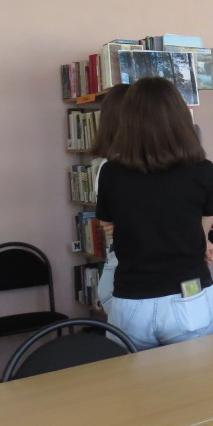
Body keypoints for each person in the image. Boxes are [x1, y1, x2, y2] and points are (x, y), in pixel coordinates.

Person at [96, 77, 213, 350]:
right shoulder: (203, 170)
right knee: (201, 377)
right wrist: (198, 240)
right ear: (181, 118)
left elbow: (108, 224)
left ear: (128, 121)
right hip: (189, 294)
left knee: (133, 378)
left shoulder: (110, 172)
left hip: (131, 301)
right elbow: (205, 219)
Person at [88, 83, 130, 315]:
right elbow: (113, 224)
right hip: (124, 272)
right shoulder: (112, 169)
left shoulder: (109, 166)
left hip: (121, 267)